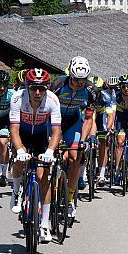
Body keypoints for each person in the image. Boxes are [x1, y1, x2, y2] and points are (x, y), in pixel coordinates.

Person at [9, 68, 61, 243]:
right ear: (27, 87)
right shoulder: (17, 98)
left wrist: (49, 151)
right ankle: (16, 192)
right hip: (22, 134)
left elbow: (56, 132)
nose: (37, 92)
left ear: (46, 88)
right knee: (18, 160)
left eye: (41, 88)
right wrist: (20, 150)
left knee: (43, 176)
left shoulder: (53, 100)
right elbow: (14, 130)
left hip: (41, 136)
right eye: (33, 88)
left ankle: (44, 223)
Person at [49, 57, 97, 221]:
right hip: (53, 120)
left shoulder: (91, 91)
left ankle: (69, 199)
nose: (79, 84)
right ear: (70, 75)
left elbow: (89, 119)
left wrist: (83, 141)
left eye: (83, 80)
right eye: (76, 79)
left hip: (73, 121)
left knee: (76, 156)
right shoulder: (58, 85)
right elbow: (44, 107)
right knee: (48, 153)